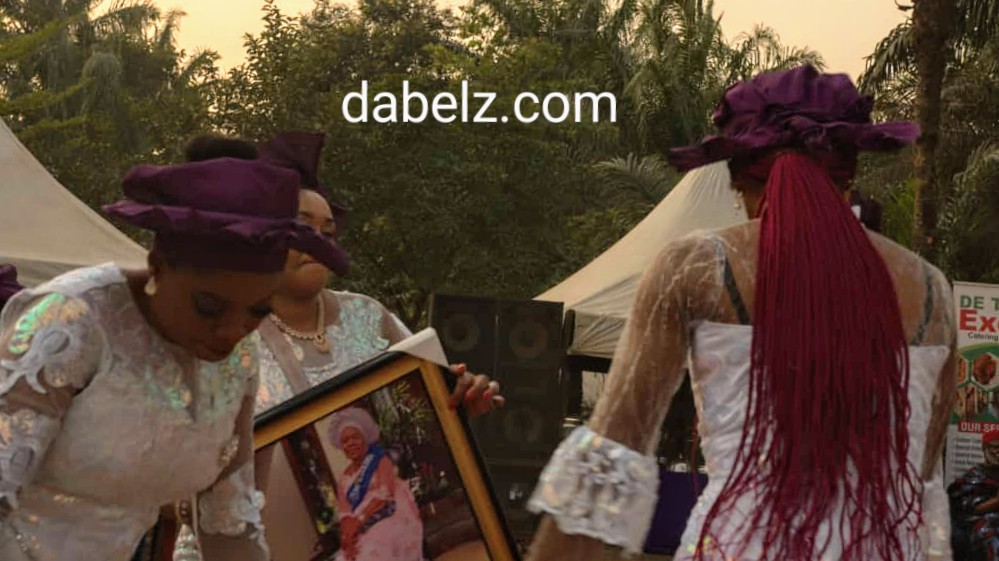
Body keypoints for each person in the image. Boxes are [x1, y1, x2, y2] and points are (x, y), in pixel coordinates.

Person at [525, 65, 956, 561]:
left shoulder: (696, 266)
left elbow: (615, 449)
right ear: (850, 172)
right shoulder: (931, 291)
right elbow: (922, 488)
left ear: (740, 184)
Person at [0, 157, 347, 561]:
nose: (232, 331)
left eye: (257, 311)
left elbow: (229, 527)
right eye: (209, 307)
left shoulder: (238, 361)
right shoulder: (72, 320)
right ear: (158, 267)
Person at [327, 407, 424, 561]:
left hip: (388, 516)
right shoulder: (343, 479)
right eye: (345, 440)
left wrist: (359, 521)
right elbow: (345, 514)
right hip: (360, 529)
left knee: (373, 550)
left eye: (355, 437)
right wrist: (347, 538)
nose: (351, 443)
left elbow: (384, 497)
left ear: (365, 438)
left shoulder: (380, 461)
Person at [948, 430, 999, 560]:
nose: (998, 452)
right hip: (983, 526)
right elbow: (970, 510)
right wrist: (996, 501)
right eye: (995, 447)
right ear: (984, 448)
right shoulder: (973, 477)